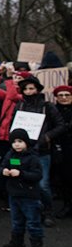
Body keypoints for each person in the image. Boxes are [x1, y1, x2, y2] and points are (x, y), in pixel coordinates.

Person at [11, 76, 64, 227]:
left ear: (37, 89)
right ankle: (32, 211)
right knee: (22, 180)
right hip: (21, 152)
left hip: (42, 151)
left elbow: (60, 125)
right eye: (26, 89)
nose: (29, 91)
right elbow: (14, 125)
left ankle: (47, 211)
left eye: (32, 88)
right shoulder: (19, 105)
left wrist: (47, 137)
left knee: (43, 184)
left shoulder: (47, 106)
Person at [0, 129, 45, 247]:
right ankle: (17, 241)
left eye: (20, 141)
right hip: (14, 194)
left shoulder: (33, 157)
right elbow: (2, 166)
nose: (16, 144)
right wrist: (4, 171)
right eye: (14, 142)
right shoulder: (10, 155)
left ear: (26, 142)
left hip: (29, 195)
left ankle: (37, 245)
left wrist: (21, 174)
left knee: (33, 221)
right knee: (16, 220)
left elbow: (37, 175)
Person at [53, 85, 72, 218]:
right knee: (65, 179)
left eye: (67, 95)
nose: (64, 98)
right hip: (61, 148)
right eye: (61, 95)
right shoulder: (53, 111)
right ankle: (68, 205)